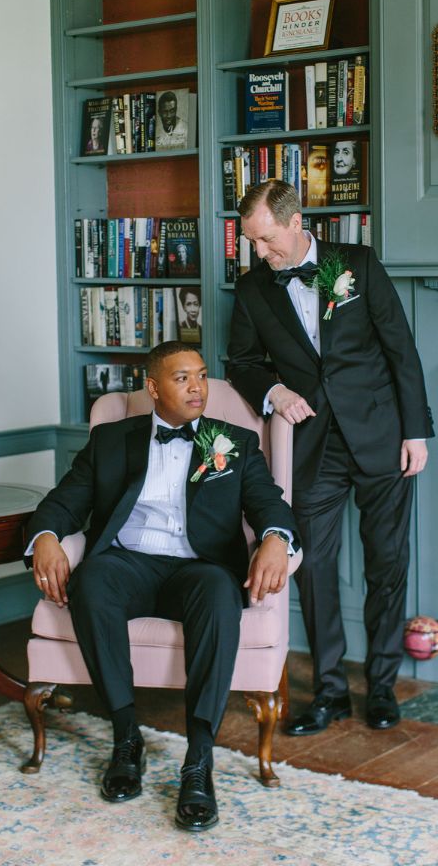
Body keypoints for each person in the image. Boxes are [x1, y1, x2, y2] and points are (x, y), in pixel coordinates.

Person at [24, 341, 297, 831]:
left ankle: (198, 759)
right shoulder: (112, 439)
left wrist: (276, 538)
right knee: (92, 581)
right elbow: (62, 502)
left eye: (201, 375)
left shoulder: (234, 441)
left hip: (199, 568)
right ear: (152, 388)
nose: (198, 387)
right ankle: (127, 737)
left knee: (218, 594)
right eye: (182, 378)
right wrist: (45, 538)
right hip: (129, 563)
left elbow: (270, 505)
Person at [227, 179, 433, 736]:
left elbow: (400, 349)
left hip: (382, 436)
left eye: (267, 241)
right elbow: (240, 362)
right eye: (253, 243)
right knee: (313, 568)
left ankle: (383, 687)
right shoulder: (252, 290)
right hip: (312, 444)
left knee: (386, 565)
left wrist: (416, 432)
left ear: (297, 223)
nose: (260, 253)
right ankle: (331, 692)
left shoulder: (358, 265)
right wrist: (275, 393)